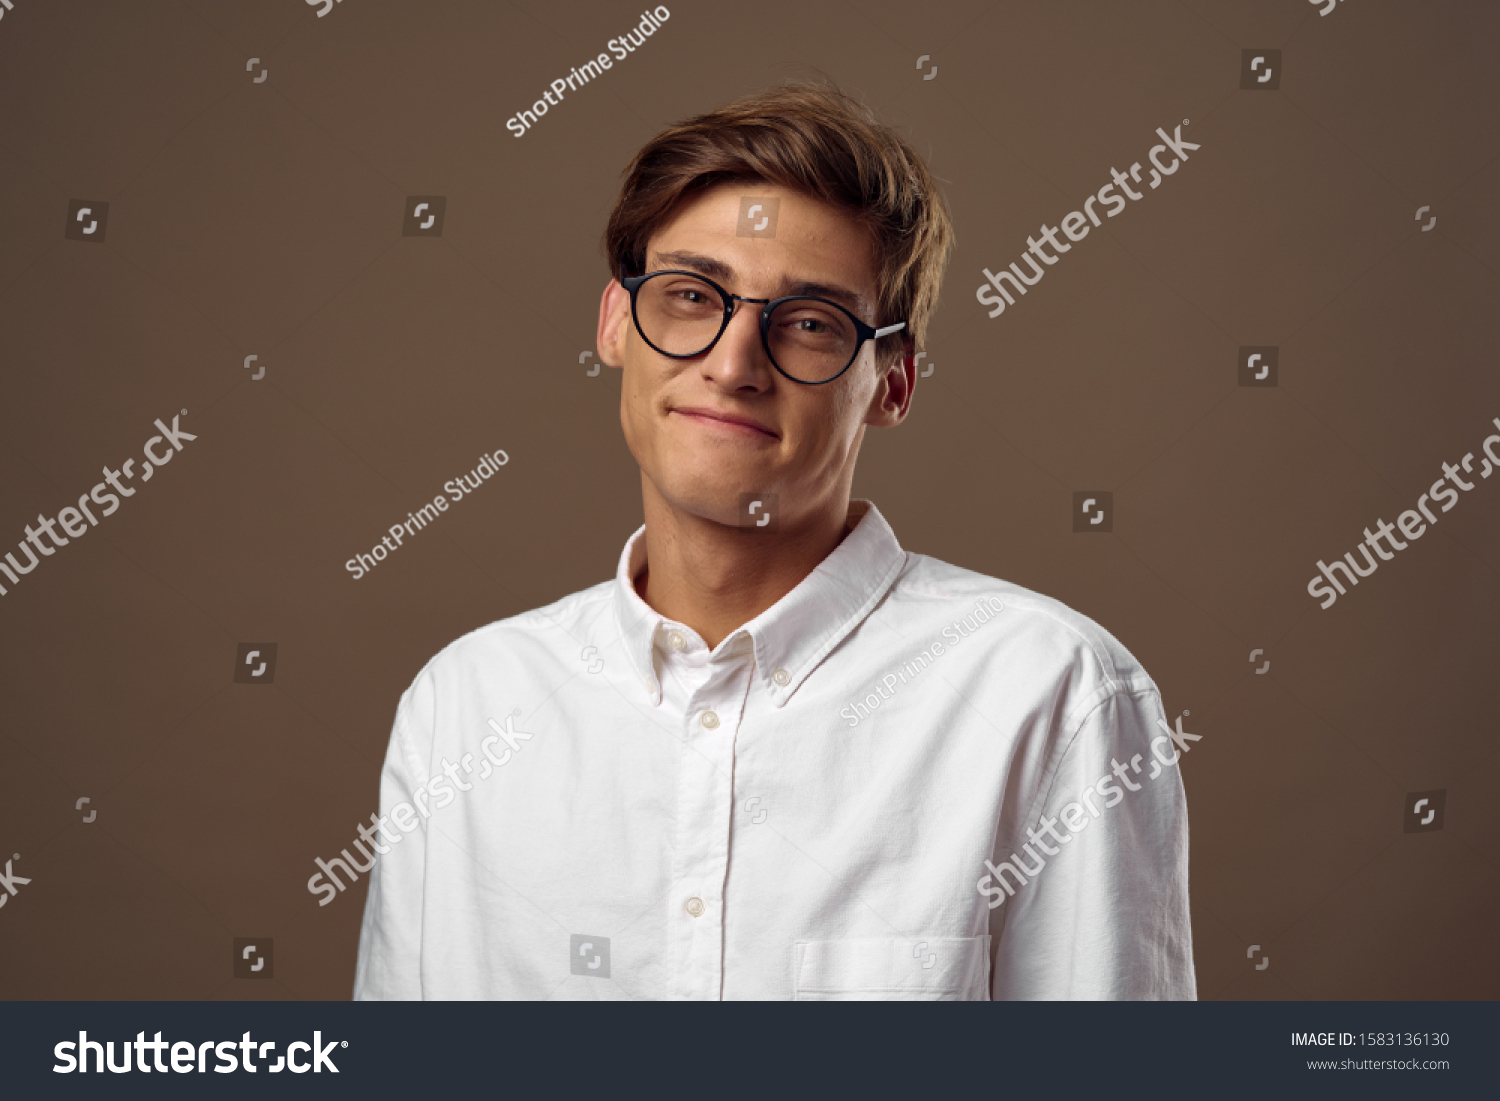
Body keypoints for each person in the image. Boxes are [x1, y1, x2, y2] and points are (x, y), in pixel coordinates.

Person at [353, 78, 1195, 1000]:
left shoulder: (1050, 694)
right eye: (688, 296)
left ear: (894, 382)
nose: (731, 363)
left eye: (808, 323)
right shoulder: (465, 708)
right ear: (613, 324)